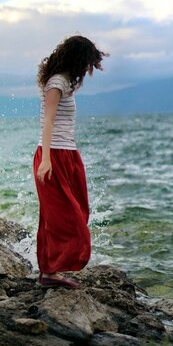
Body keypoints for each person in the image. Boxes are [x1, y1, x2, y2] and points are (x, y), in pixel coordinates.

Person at [34, 35, 108, 288]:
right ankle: (50, 272)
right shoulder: (56, 83)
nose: (88, 69)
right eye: (87, 63)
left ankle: (48, 271)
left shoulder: (65, 82)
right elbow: (48, 122)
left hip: (67, 153)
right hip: (53, 155)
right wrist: (45, 160)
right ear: (77, 59)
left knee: (77, 210)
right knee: (64, 217)